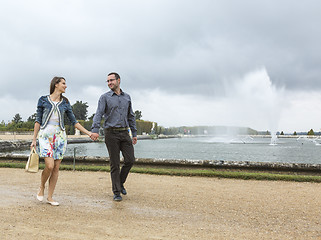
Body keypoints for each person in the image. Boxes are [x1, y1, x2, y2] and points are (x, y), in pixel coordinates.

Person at [30, 76, 95, 206]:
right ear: (56, 85)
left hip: (60, 137)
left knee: (56, 168)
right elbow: (38, 120)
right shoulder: (43, 100)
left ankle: (50, 197)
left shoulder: (65, 102)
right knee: (49, 165)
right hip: (45, 136)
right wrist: (34, 139)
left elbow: (74, 121)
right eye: (63, 83)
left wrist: (88, 133)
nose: (65, 86)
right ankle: (42, 187)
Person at [91, 72, 137, 201]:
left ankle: (120, 182)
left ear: (119, 80)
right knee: (115, 164)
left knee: (130, 160)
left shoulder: (127, 97)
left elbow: (131, 116)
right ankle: (116, 191)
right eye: (107, 81)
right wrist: (95, 129)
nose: (109, 83)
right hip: (110, 134)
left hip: (124, 133)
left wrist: (134, 133)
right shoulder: (104, 97)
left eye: (111, 80)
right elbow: (98, 114)